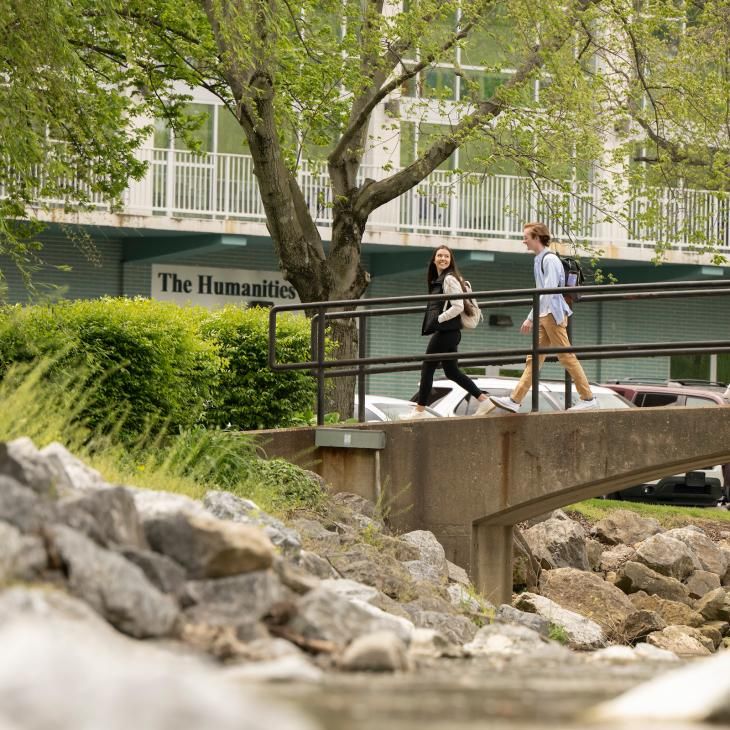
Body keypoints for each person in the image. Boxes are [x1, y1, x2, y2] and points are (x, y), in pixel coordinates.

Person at [490, 222, 598, 413]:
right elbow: (542, 292)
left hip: (552, 314)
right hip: (543, 314)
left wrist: (531, 317)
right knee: (534, 359)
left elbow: (547, 291)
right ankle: (515, 400)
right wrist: (533, 316)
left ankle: (588, 397)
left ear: (537, 237)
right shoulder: (539, 259)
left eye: (526, 237)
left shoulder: (549, 260)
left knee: (566, 357)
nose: (524, 241)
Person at [411, 245, 493, 419]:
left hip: (447, 332)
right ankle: (484, 400)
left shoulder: (449, 279)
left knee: (427, 367)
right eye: (439, 256)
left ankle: (419, 410)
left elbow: (458, 306)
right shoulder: (441, 279)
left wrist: (438, 319)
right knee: (452, 371)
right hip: (451, 333)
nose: (442, 259)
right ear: (434, 260)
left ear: (451, 260)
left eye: (446, 256)